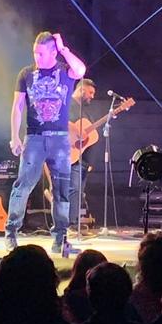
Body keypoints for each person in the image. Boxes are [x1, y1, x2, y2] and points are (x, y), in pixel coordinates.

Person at [6, 31, 87, 253]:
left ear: (53, 52)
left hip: (60, 140)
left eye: (41, 53)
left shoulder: (64, 71)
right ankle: (11, 232)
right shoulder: (26, 74)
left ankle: (60, 238)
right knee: (23, 186)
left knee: (61, 189)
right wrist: (14, 135)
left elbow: (81, 70)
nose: (37, 57)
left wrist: (64, 49)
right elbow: (17, 107)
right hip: (34, 138)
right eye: (35, 52)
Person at [68, 78, 96, 230]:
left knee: (79, 192)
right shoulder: (68, 104)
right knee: (74, 190)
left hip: (84, 159)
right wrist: (77, 131)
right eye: (90, 92)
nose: (92, 96)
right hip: (72, 156)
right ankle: (70, 224)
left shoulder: (82, 110)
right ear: (82, 89)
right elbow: (61, 122)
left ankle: (74, 222)